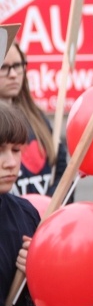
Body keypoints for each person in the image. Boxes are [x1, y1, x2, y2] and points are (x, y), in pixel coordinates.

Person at [0, 101, 45, 306]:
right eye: (0, 150)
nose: (10, 162)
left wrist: (36, 274)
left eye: (16, 150)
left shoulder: (26, 214)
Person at [0, 43, 67, 197]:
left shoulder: (37, 118)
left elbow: (62, 167)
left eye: (18, 65)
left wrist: (52, 203)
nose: (13, 74)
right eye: (4, 67)